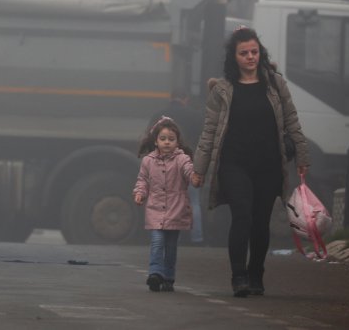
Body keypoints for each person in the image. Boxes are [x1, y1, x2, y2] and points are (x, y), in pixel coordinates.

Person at [191, 26, 310, 297]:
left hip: (268, 165)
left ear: (261, 53)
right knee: (242, 215)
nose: (250, 57)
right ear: (234, 57)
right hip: (234, 164)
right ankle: (239, 276)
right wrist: (199, 169)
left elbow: (292, 121)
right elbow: (209, 132)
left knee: (260, 221)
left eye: (254, 52)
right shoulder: (222, 91)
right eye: (244, 53)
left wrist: (302, 156)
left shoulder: (275, 84)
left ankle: (256, 274)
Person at [133, 116, 196, 293]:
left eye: (171, 139)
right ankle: (155, 273)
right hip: (155, 209)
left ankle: (168, 277)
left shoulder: (182, 159)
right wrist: (139, 193)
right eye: (163, 139)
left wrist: (195, 177)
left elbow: (190, 172)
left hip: (176, 210)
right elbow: (142, 180)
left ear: (177, 142)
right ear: (156, 141)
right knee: (157, 241)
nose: (167, 142)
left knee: (171, 247)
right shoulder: (148, 161)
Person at [148, 89, 204, 244]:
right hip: (189, 162)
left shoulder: (159, 116)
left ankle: (164, 237)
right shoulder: (195, 116)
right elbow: (204, 140)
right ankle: (196, 238)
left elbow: (149, 138)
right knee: (193, 201)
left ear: (171, 98)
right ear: (185, 99)